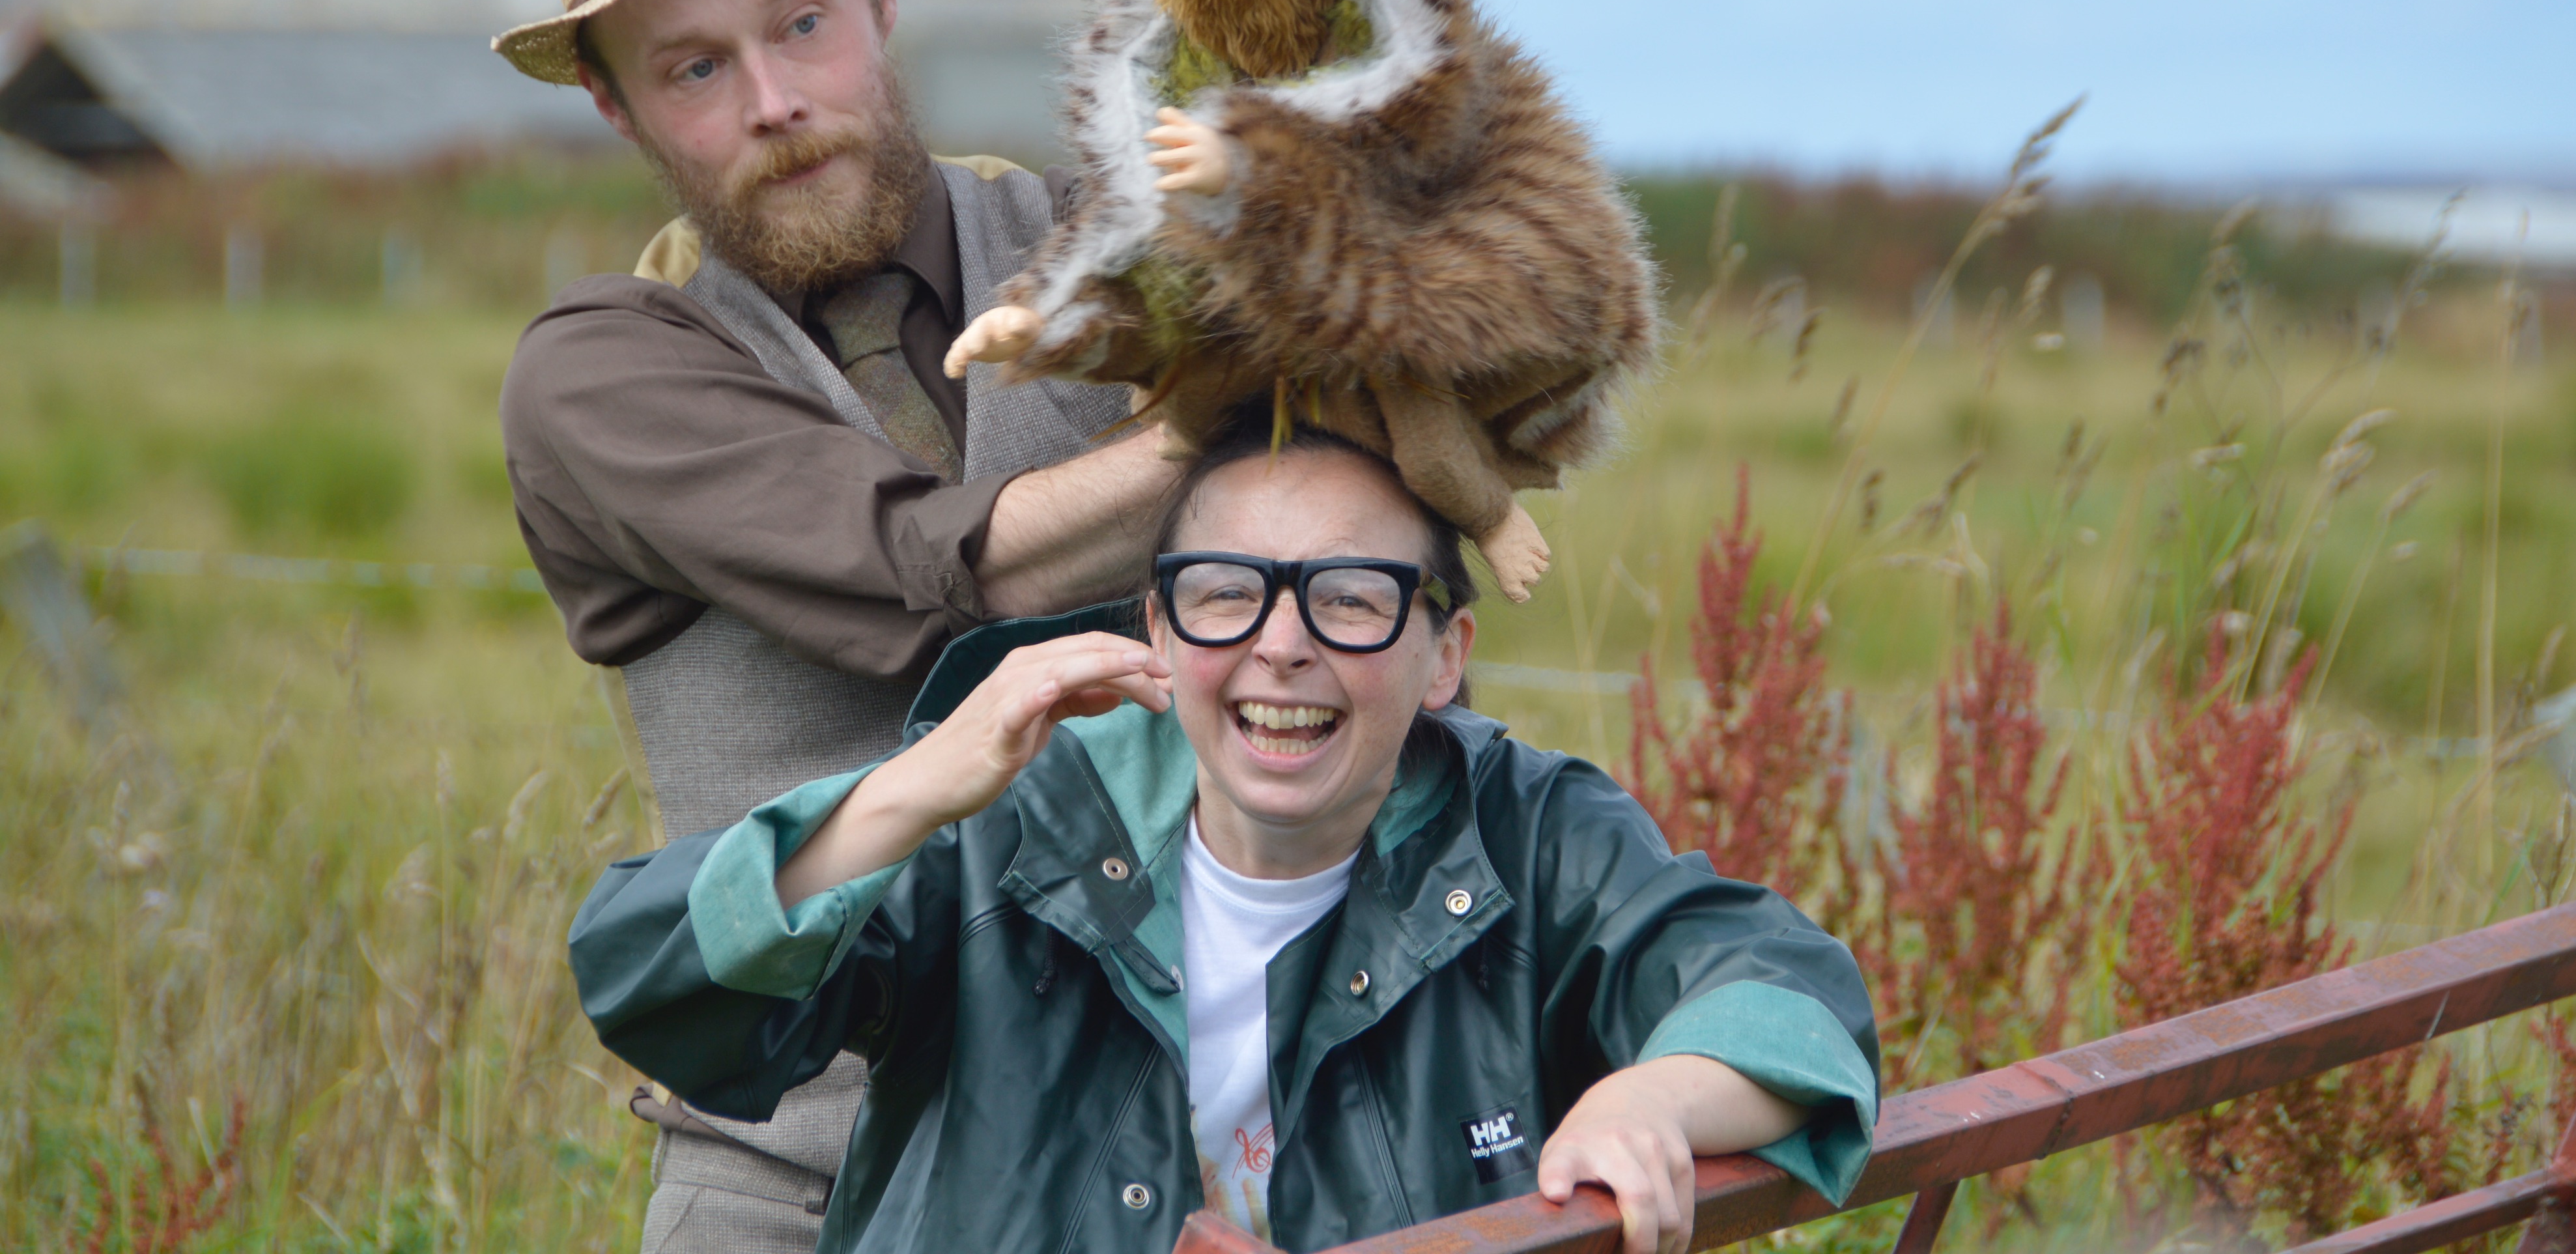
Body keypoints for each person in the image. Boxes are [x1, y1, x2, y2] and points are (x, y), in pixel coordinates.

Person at [569, 408, 1878, 1254]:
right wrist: (919, 783)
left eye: (1352, 596)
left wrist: (1649, 1095)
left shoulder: (1525, 833)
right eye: (1222, 594)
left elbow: (1780, 991)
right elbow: (656, 982)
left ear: (1442, 655)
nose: (1280, 644)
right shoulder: (1014, 819)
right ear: (1155, 626)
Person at [492, 0, 1179, 1249]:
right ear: (618, 110)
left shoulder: (1108, 250)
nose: (774, 102)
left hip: (1163, 1165)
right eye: (692, 68)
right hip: (796, 1182)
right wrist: (1247, 405)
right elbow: (938, 576)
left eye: (801, 24)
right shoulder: (603, 375)